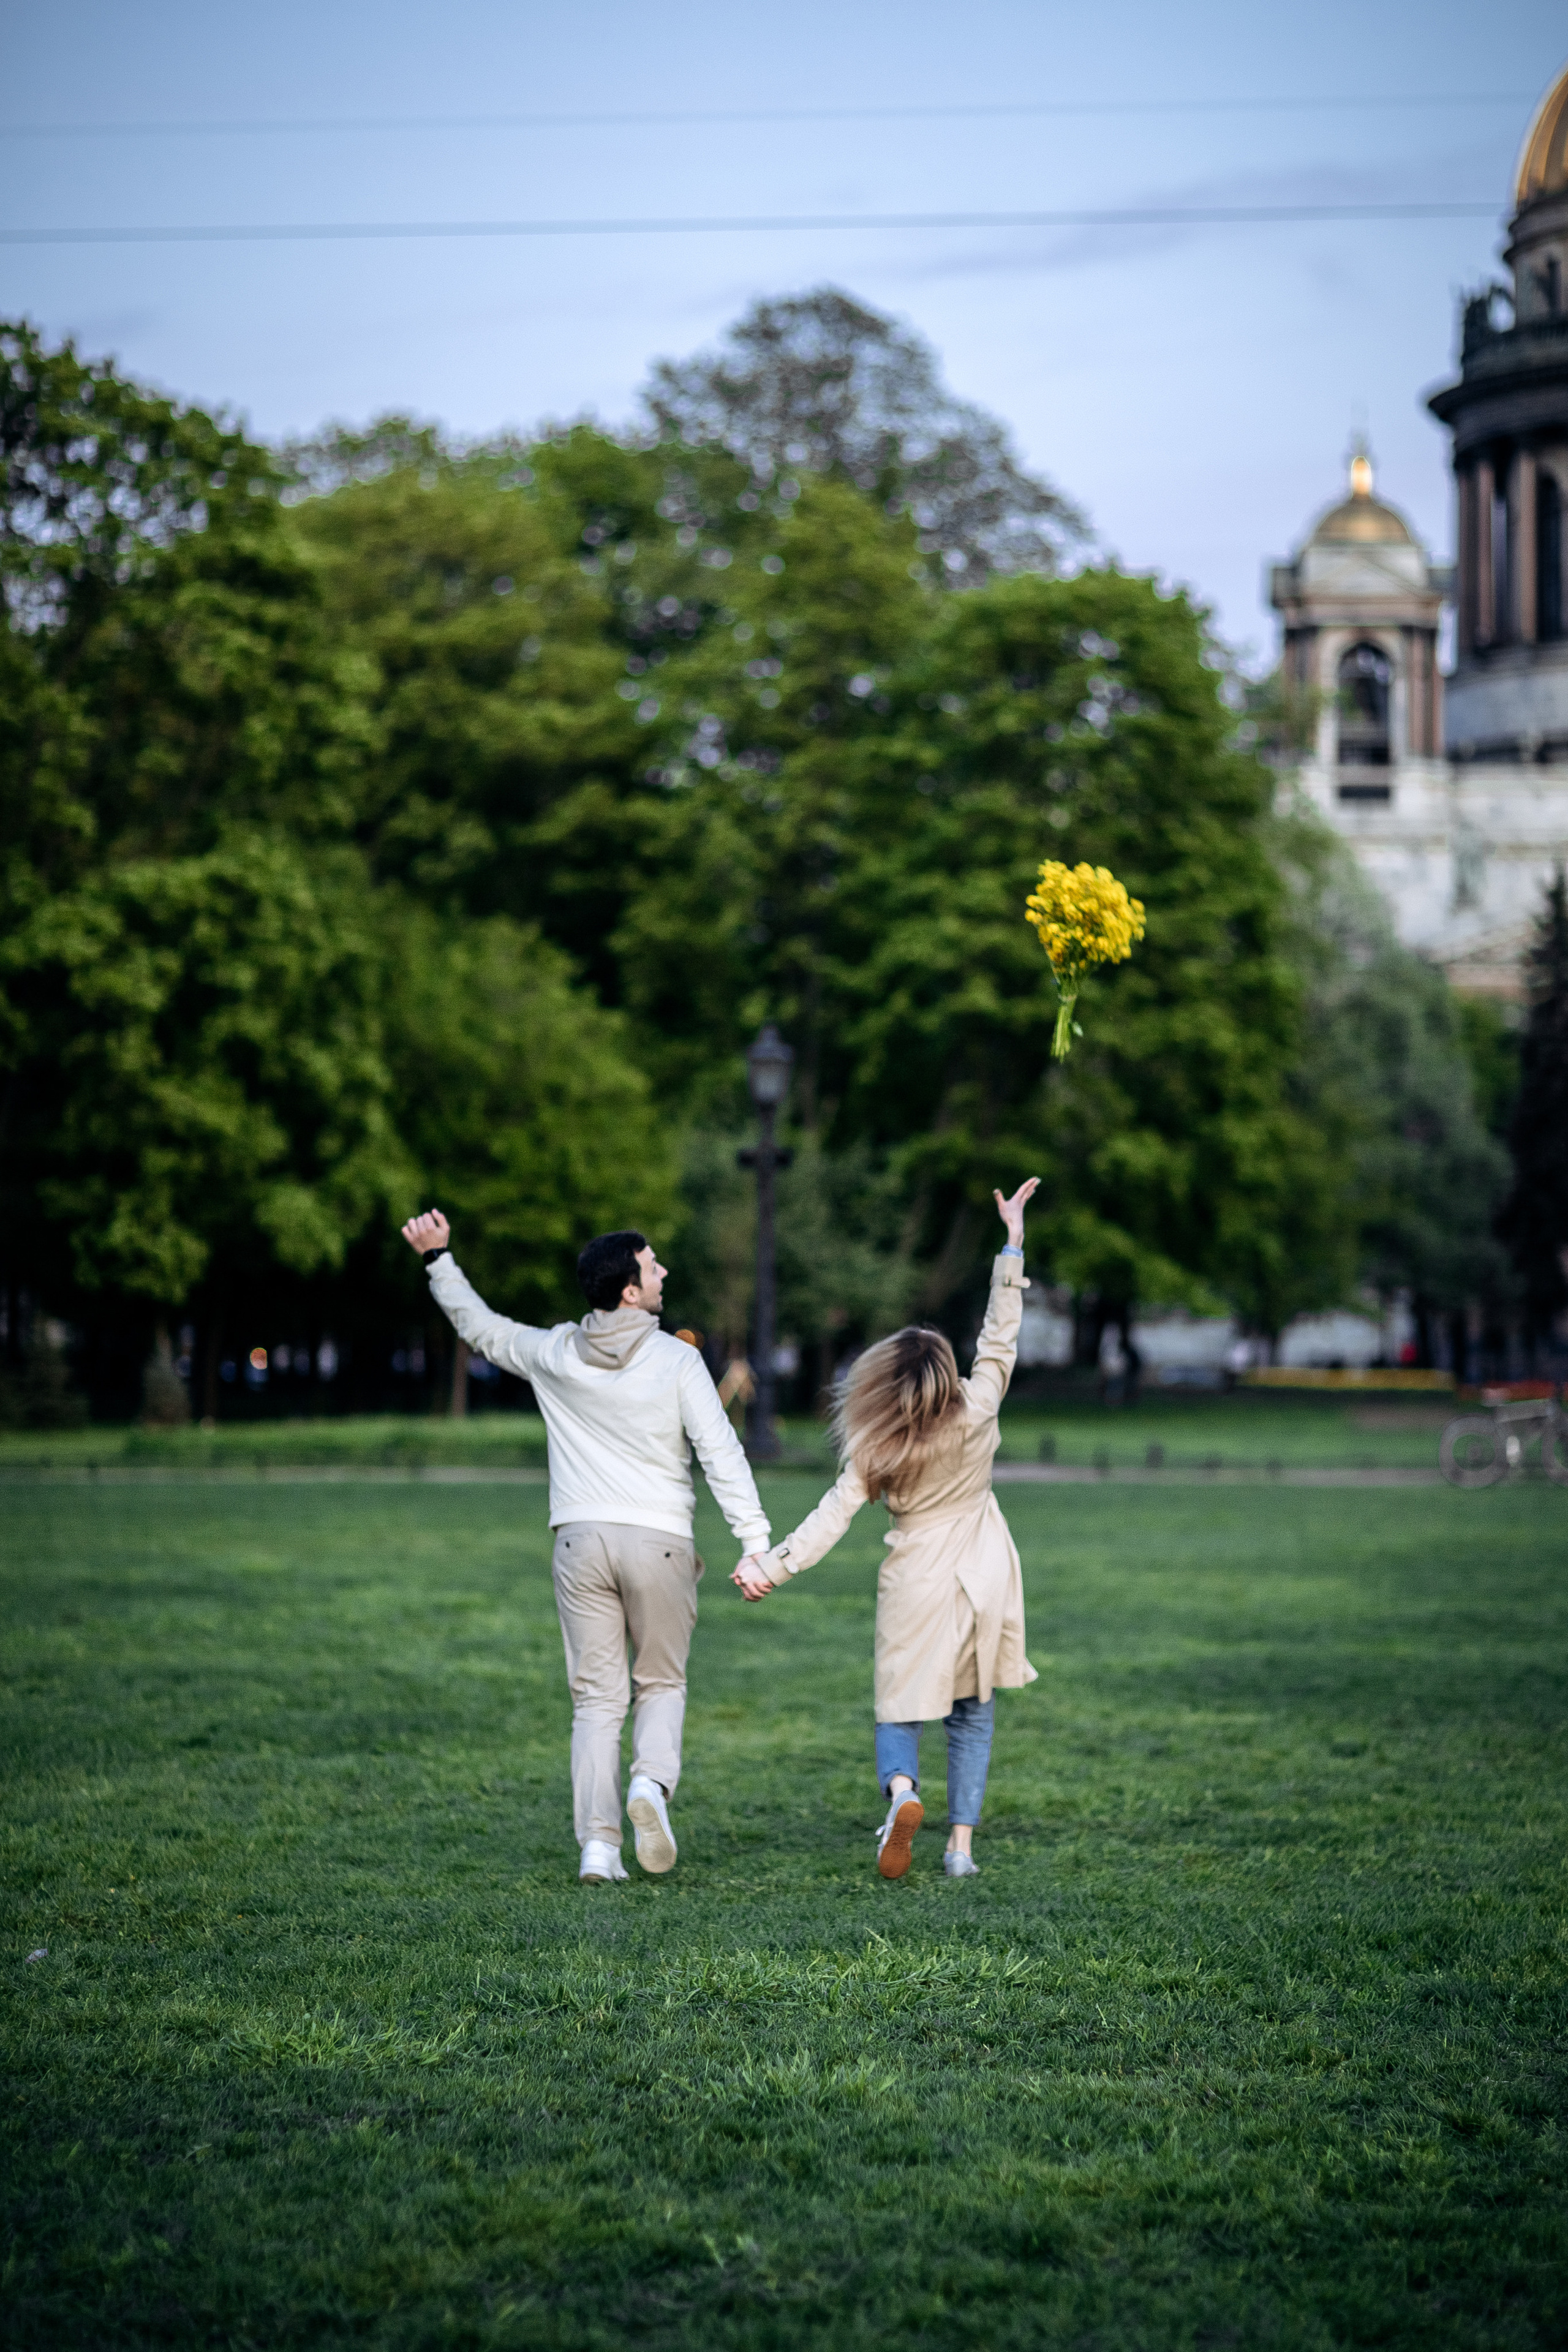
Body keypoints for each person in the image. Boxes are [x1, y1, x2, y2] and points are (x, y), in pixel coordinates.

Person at [401, 1210, 771, 1885]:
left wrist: (438, 1260)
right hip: (658, 1540)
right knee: (660, 1681)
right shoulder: (676, 1359)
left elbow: (480, 1328)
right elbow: (720, 1453)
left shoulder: (555, 1352)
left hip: (578, 1541)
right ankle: (650, 1786)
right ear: (629, 1290)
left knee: (597, 1702)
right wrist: (755, 1543)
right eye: (652, 1265)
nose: (662, 1273)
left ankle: (598, 1847)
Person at [733, 1180, 1040, 1880]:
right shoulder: (980, 1407)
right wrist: (1011, 1243)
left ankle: (903, 1792)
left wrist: (769, 1568)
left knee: (899, 1706)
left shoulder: (877, 1450)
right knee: (972, 1712)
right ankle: (959, 1850)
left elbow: (830, 1516)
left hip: (917, 1578)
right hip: (986, 1572)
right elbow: (1000, 1337)